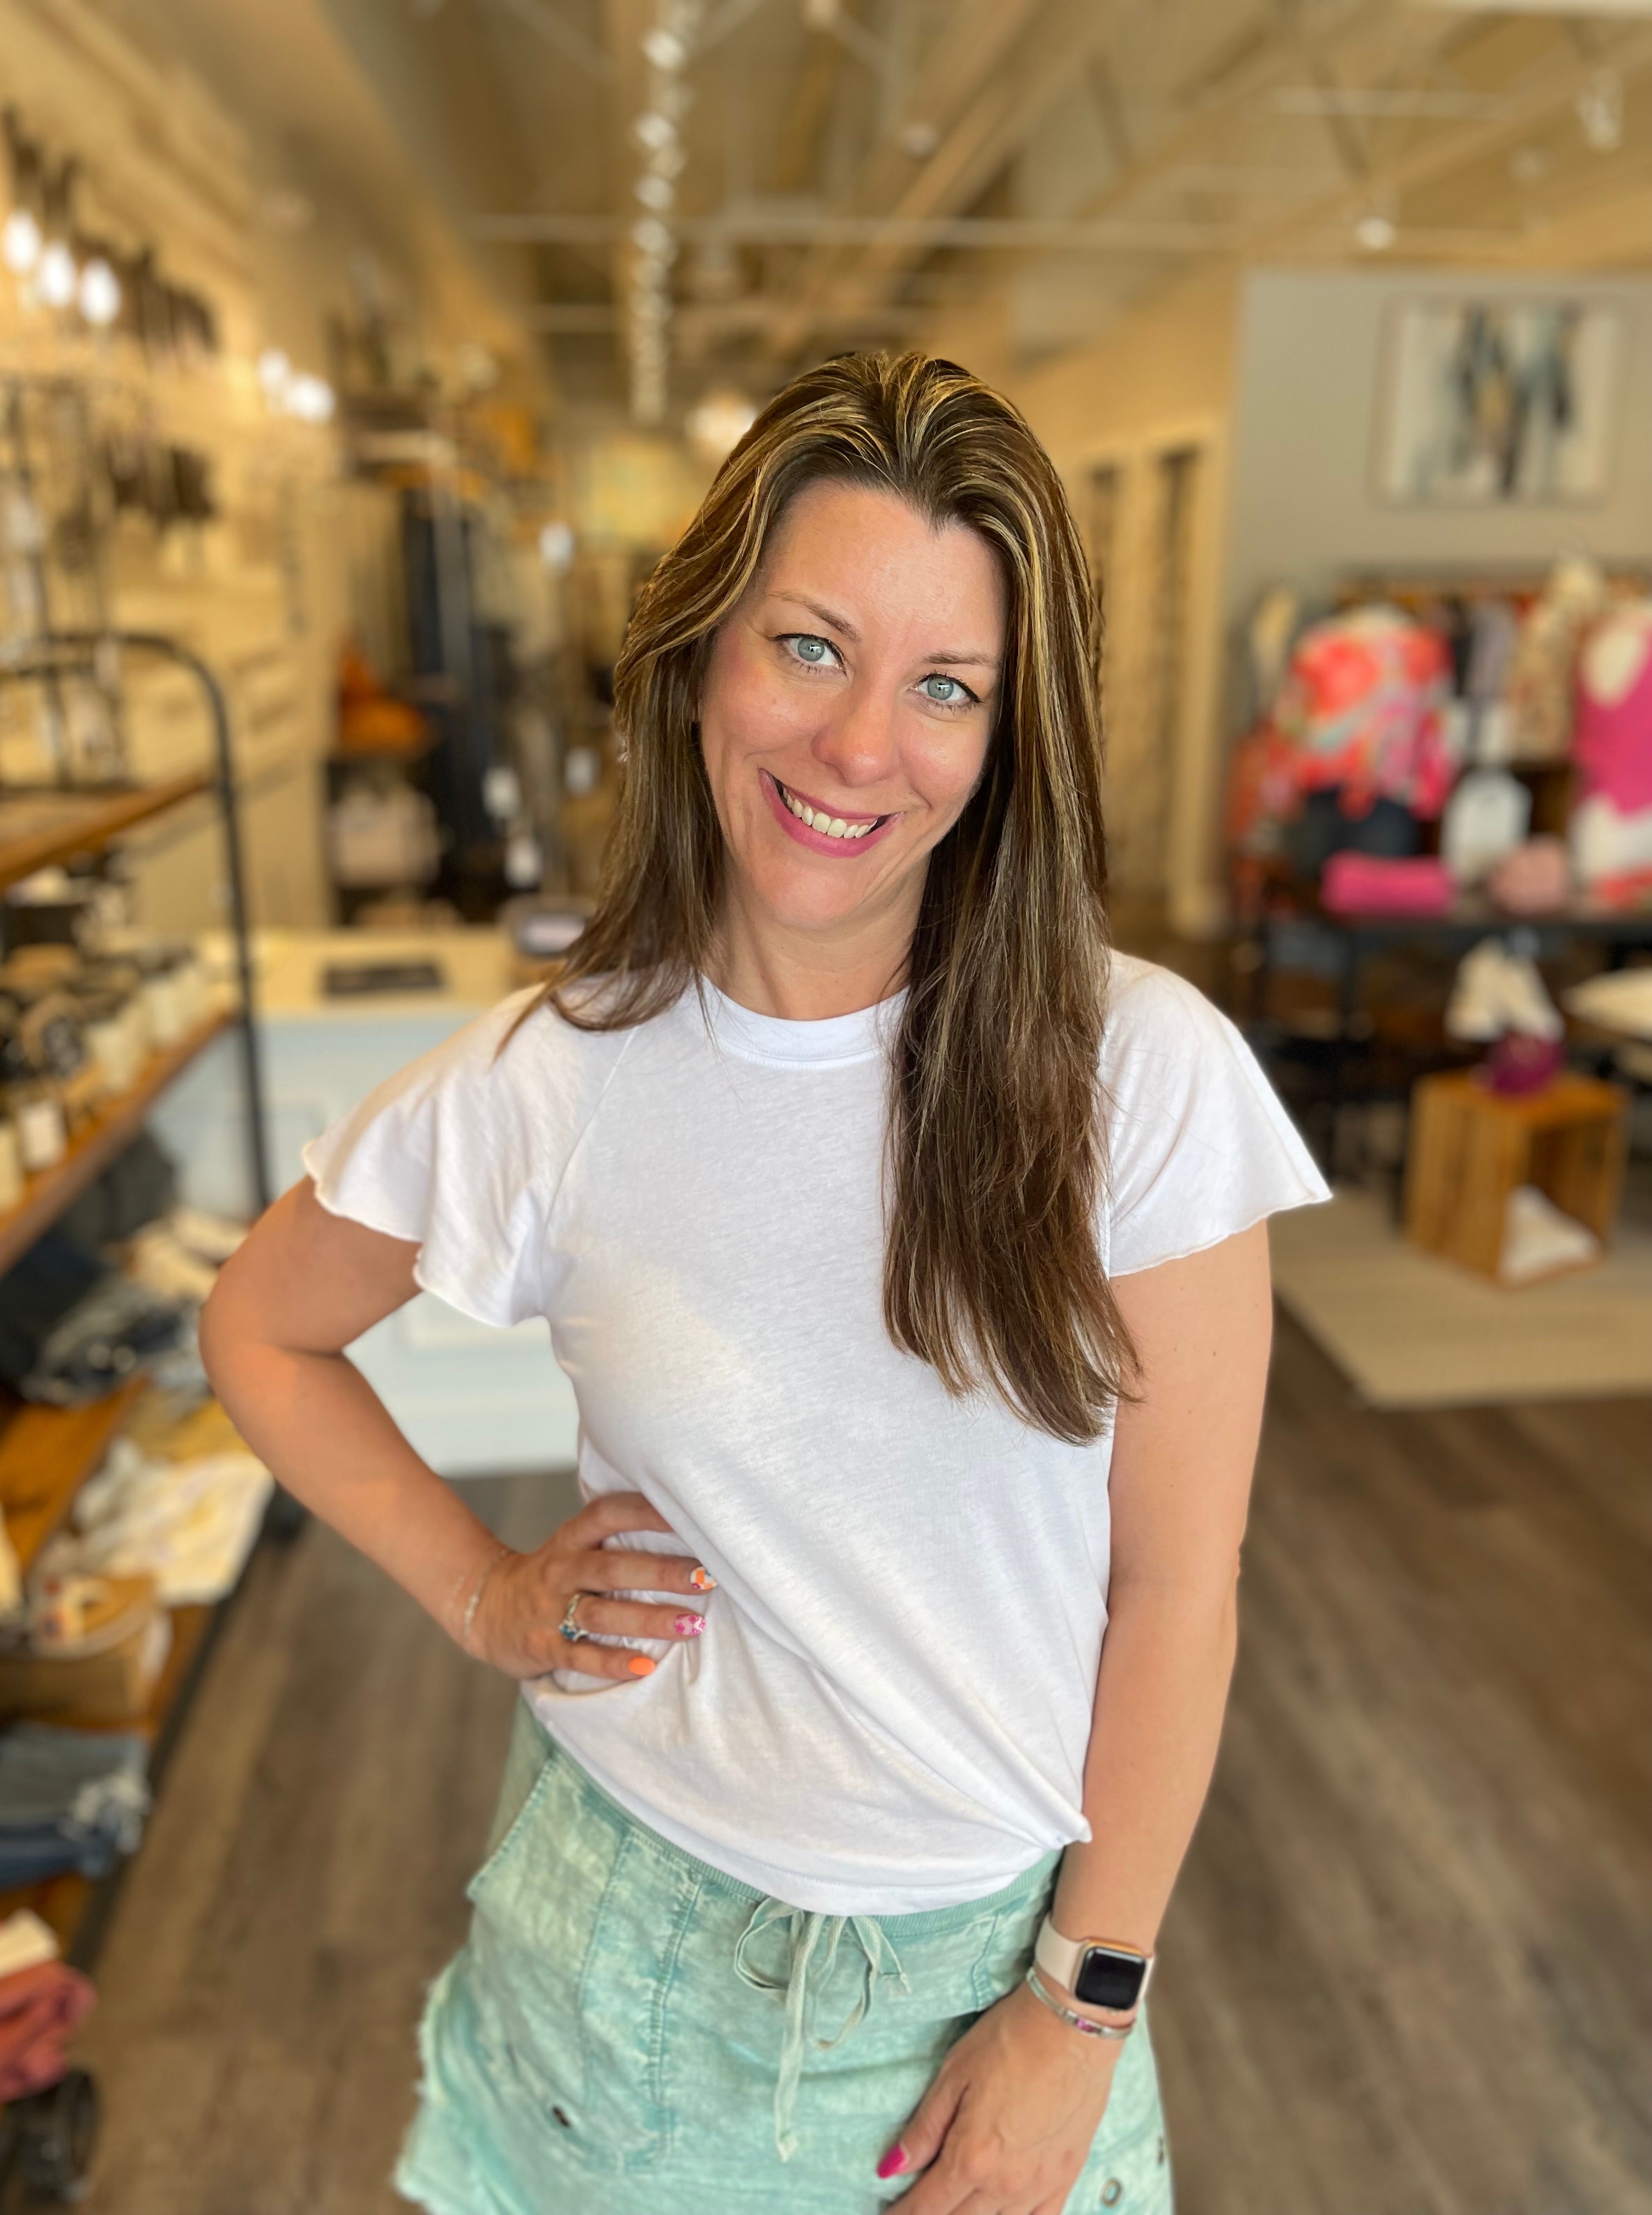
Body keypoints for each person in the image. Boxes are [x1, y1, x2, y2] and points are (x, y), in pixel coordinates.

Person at [200, 351, 1328, 2215]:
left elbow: (1174, 1588)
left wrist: (1083, 2008)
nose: (861, 745)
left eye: (945, 685)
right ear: (701, 654)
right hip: (612, 1939)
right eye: (810, 647)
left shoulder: (1142, 1075)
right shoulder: (553, 1076)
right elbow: (259, 1323)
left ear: (1007, 741)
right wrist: (481, 1591)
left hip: (986, 1977)